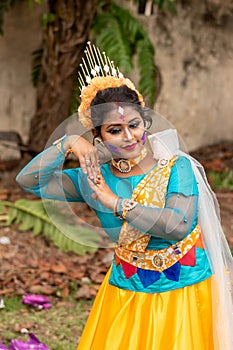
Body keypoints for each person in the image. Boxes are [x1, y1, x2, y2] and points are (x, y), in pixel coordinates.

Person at [16, 43, 233, 350]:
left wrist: (114, 203)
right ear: (99, 137)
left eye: (134, 125)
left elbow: (177, 225)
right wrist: (67, 144)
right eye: (115, 130)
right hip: (125, 291)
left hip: (183, 292)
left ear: (145, 122)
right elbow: (28, 180)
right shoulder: (92, 178)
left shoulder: (175, 167)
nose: (129, 136)